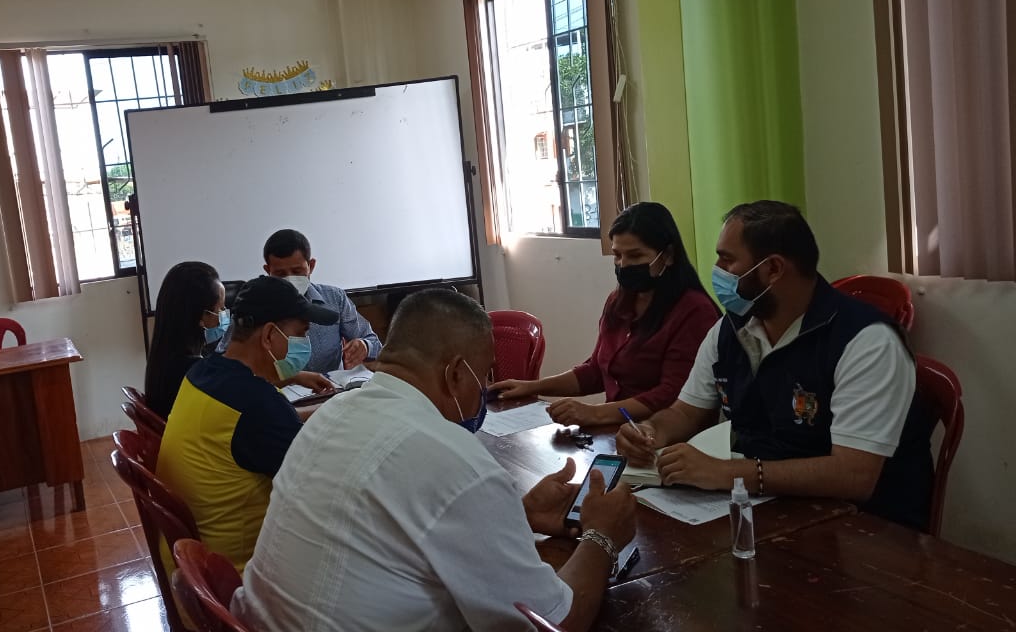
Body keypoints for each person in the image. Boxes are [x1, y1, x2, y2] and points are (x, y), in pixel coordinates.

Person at [233, 289, 636, 631]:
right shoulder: (455, 460)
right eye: (484, 375)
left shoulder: (332, 413)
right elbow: (557, 621)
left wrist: (518, 515)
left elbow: (396, 527)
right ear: (456, 373)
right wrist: (602, 534)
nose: (485, 390)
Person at [616, 201, 933, 530]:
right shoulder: (730, 329)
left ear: (773, 269)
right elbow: (685, 413)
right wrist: (651, 431)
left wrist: (726, 473)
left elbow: (853, 474)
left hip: (864, 529)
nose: (717, 270)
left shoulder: (867, 341)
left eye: (727, 259)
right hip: (764, 509)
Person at [155, 275, 338, 572]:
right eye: (301, 333)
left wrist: (326, 409)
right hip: (237, 576)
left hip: (194, 567)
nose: (305, 344)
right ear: (269, 336)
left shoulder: (203, 373)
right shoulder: (257, 405)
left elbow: (271, 431)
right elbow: (325, 489)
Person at [492, 202, 720, 427]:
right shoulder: (618, 301)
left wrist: (595, 413)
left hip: (664, 435)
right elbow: (596, 371)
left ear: (667, 255)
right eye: (617, 255)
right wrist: (531, 387)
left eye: (635, 256)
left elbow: (673, 395)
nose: (624, 265)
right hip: (617, 429)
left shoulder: (694, 312)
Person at [261, 228, 382, 380]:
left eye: (297, 271)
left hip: (331, 388)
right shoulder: (256, 305)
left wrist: (365, 346)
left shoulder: (335, 299)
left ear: (311, 266)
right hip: (279, 389)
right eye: (281, 274)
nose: (290, 280)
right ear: (268, 270)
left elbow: (375, 343)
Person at [143, 261, 227, 418]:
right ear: (200, 316)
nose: (224, 316)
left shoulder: (164, 355)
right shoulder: (194, 371)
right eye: (220, 309)